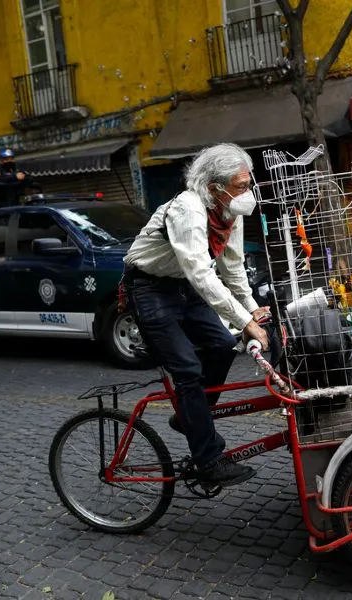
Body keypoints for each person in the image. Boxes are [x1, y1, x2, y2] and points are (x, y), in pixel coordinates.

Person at [122, 143, 269, 487]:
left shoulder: (228, 211)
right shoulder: (189, 209)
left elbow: (231, 269)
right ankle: (208, 460)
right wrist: (244, 321)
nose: (247, 193)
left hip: (184, 287)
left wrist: (251, 311)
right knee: (187, 370)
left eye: (248, 184)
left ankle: (189, 417)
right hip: (150, 287)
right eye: (240, 186)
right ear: (214, 186)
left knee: (221, 345)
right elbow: (202, 274)